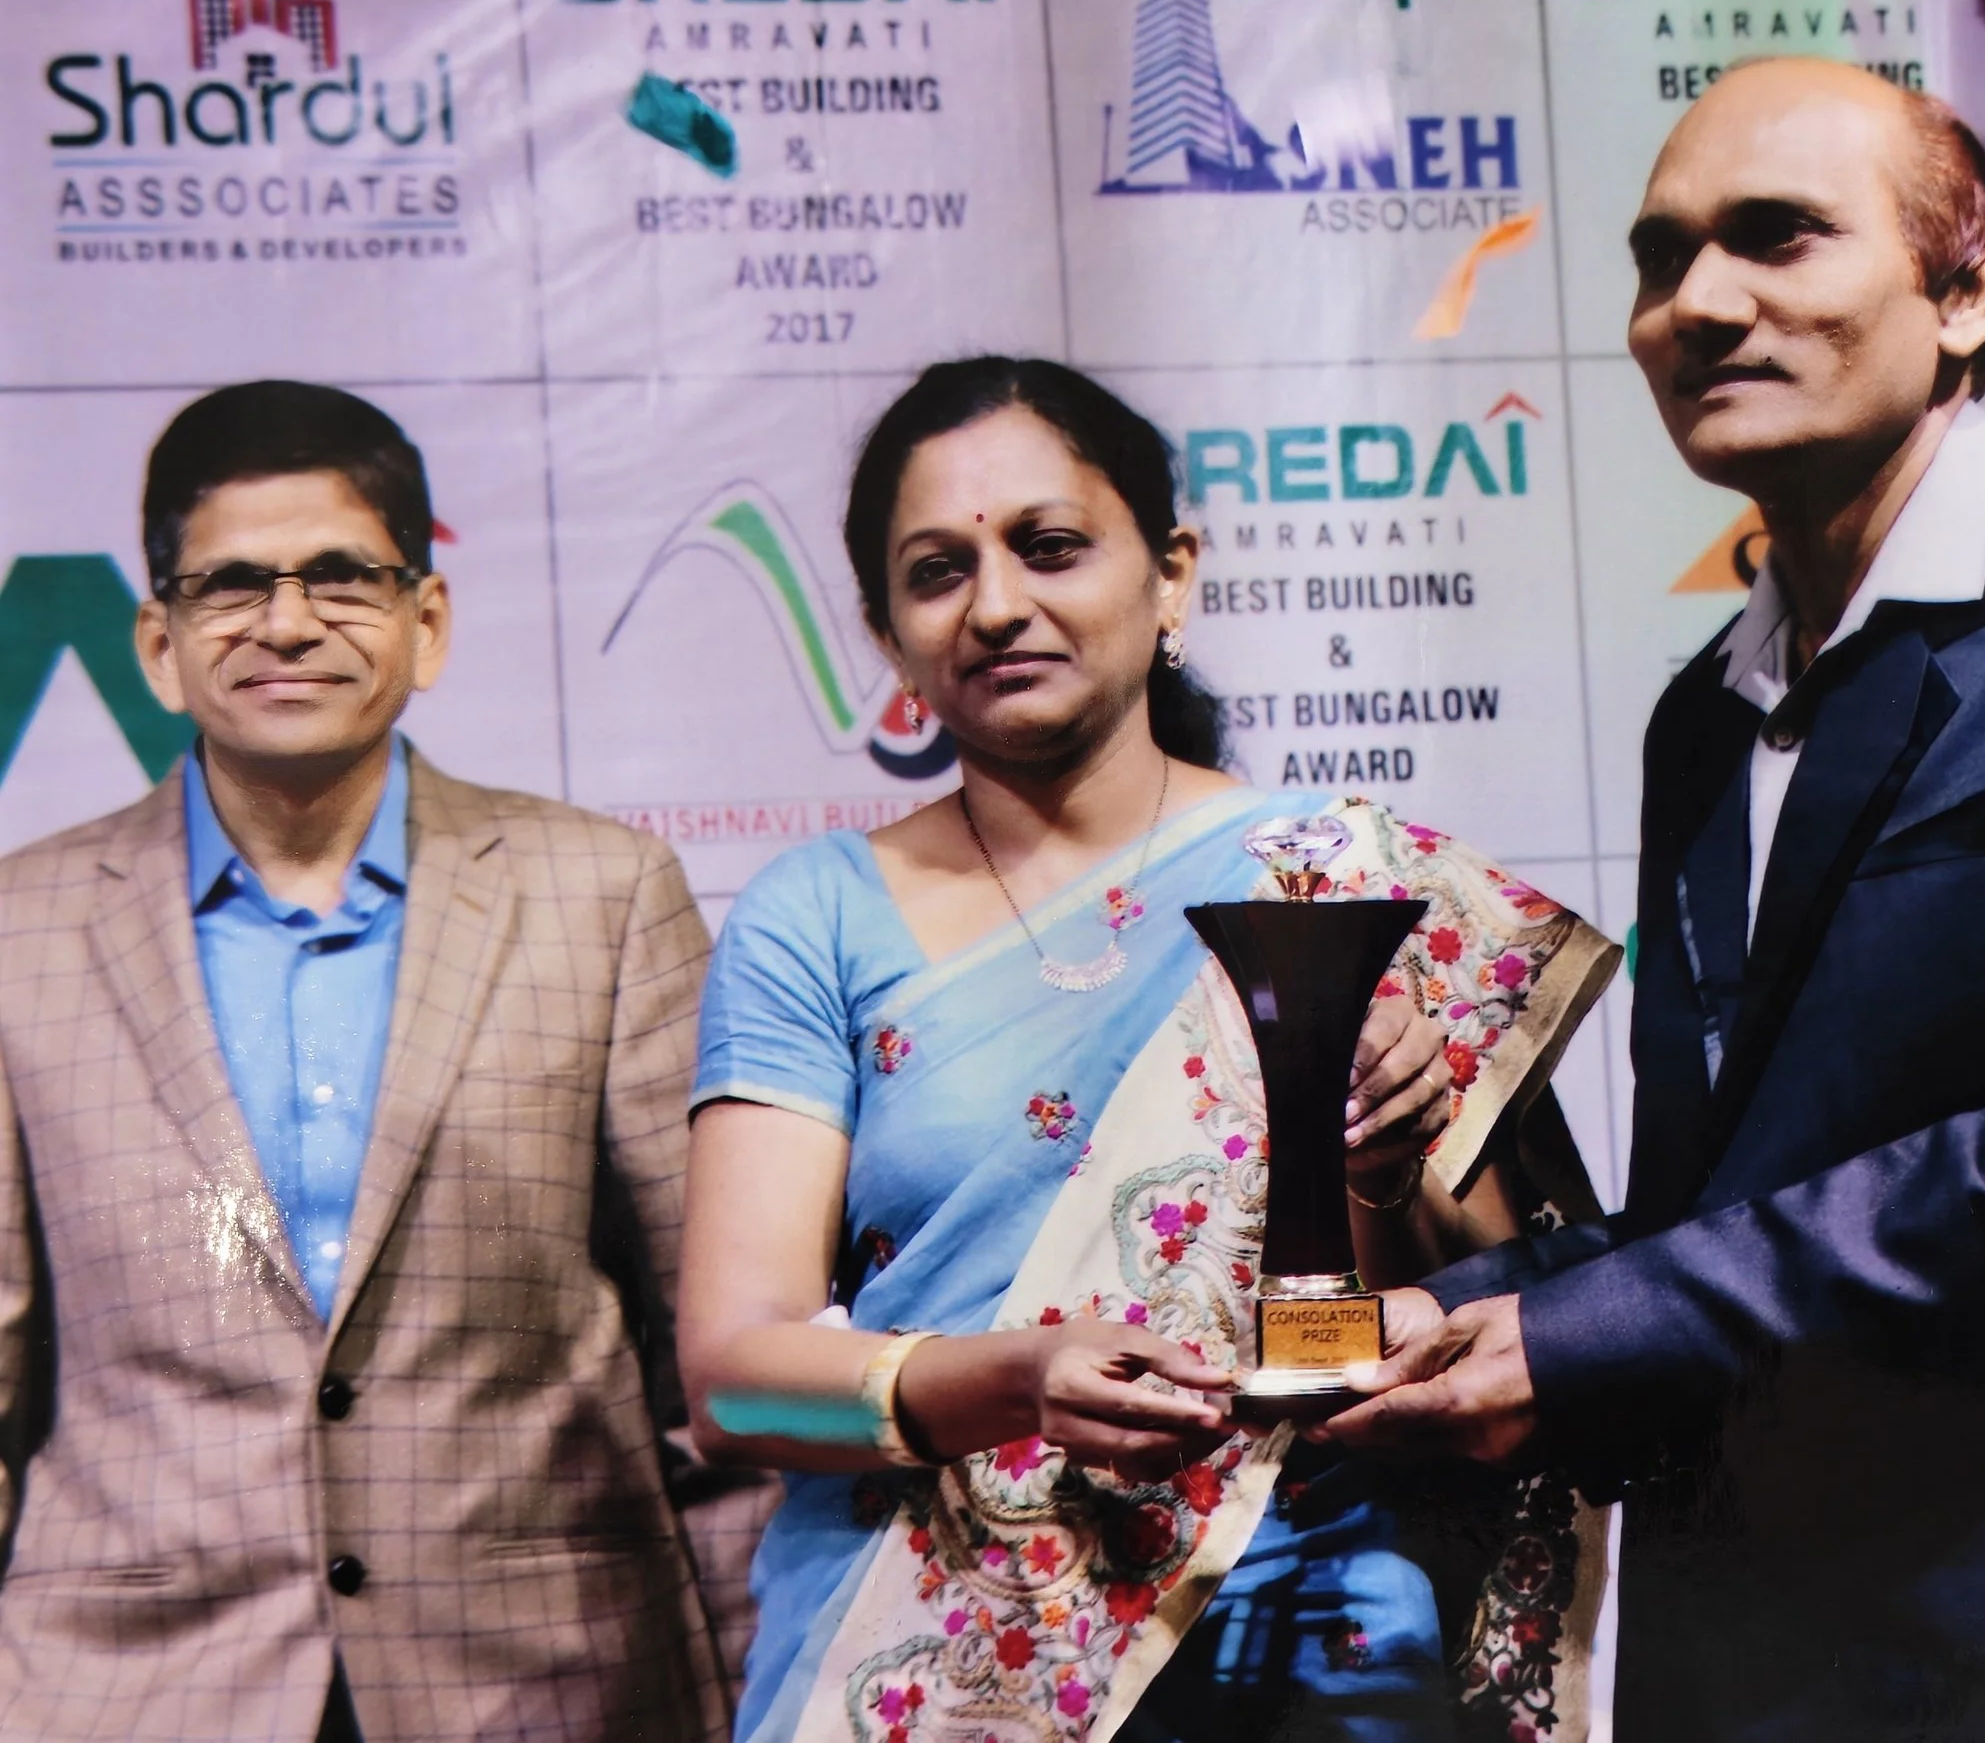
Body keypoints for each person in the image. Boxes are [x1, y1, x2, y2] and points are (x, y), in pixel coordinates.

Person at [1324, 59, 1985, 1740]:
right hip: (1739, 1659)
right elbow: (1736, 1197)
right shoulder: (1698, 716)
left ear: (1968, 283)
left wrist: (1583, 1341)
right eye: (1659, 260)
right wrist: (1479, 1311)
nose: (1696, 305)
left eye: (1777, 238)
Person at [676, 356, 1620, 1743]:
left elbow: (1472, 1335)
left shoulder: (1342, 881)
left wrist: (1382, 1159)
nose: (998, 603)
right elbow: (733, 1375)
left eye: (1051, 547)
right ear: (886, 634)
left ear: (1170, 574)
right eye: (939, 572)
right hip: (931, 1656)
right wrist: (1010, 1377)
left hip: (1317, 1636)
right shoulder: (813, 915)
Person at [0, 382, 772, 1741]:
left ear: (427, 622)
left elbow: (716, 1372)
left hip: (550, 1689)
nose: (286, 621)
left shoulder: (602, 894)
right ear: (159, 642)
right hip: (133, 1692)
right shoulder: (21, 932)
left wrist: (769, 1698)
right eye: (231, 582)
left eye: (342, 576)